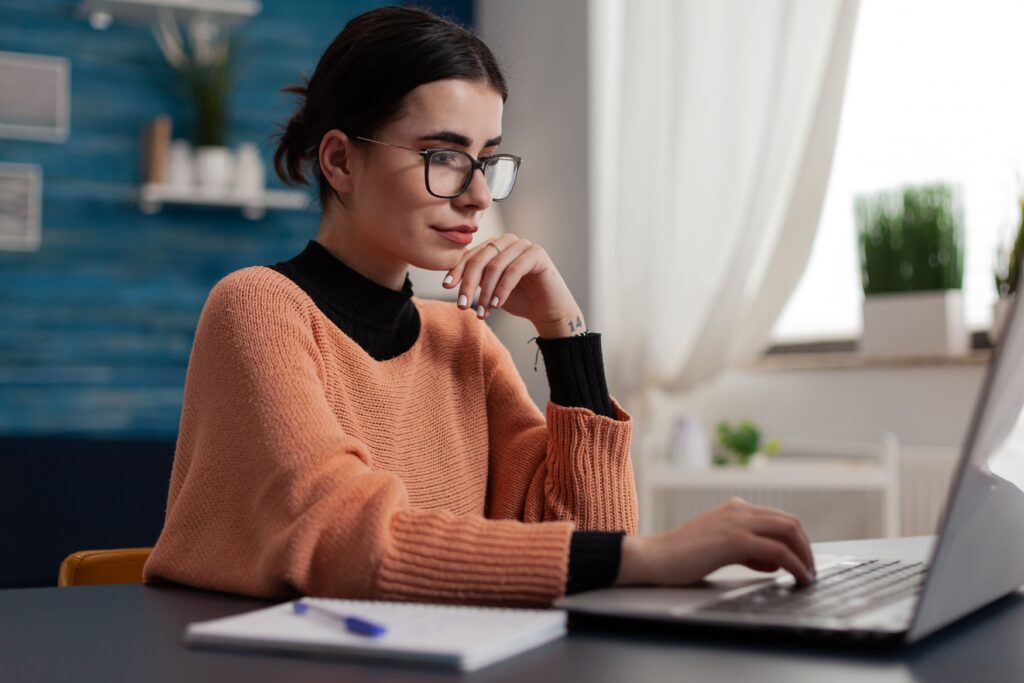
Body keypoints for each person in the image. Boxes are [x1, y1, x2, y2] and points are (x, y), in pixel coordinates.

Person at [143, 5, 816, 605]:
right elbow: (345, 541)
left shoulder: (462, 340)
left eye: (487, 159)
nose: (476, 196)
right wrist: (655, 557)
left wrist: (563, 330)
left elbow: (591, 538)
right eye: (443, 155)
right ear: (341, 162)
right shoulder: (257, 307)